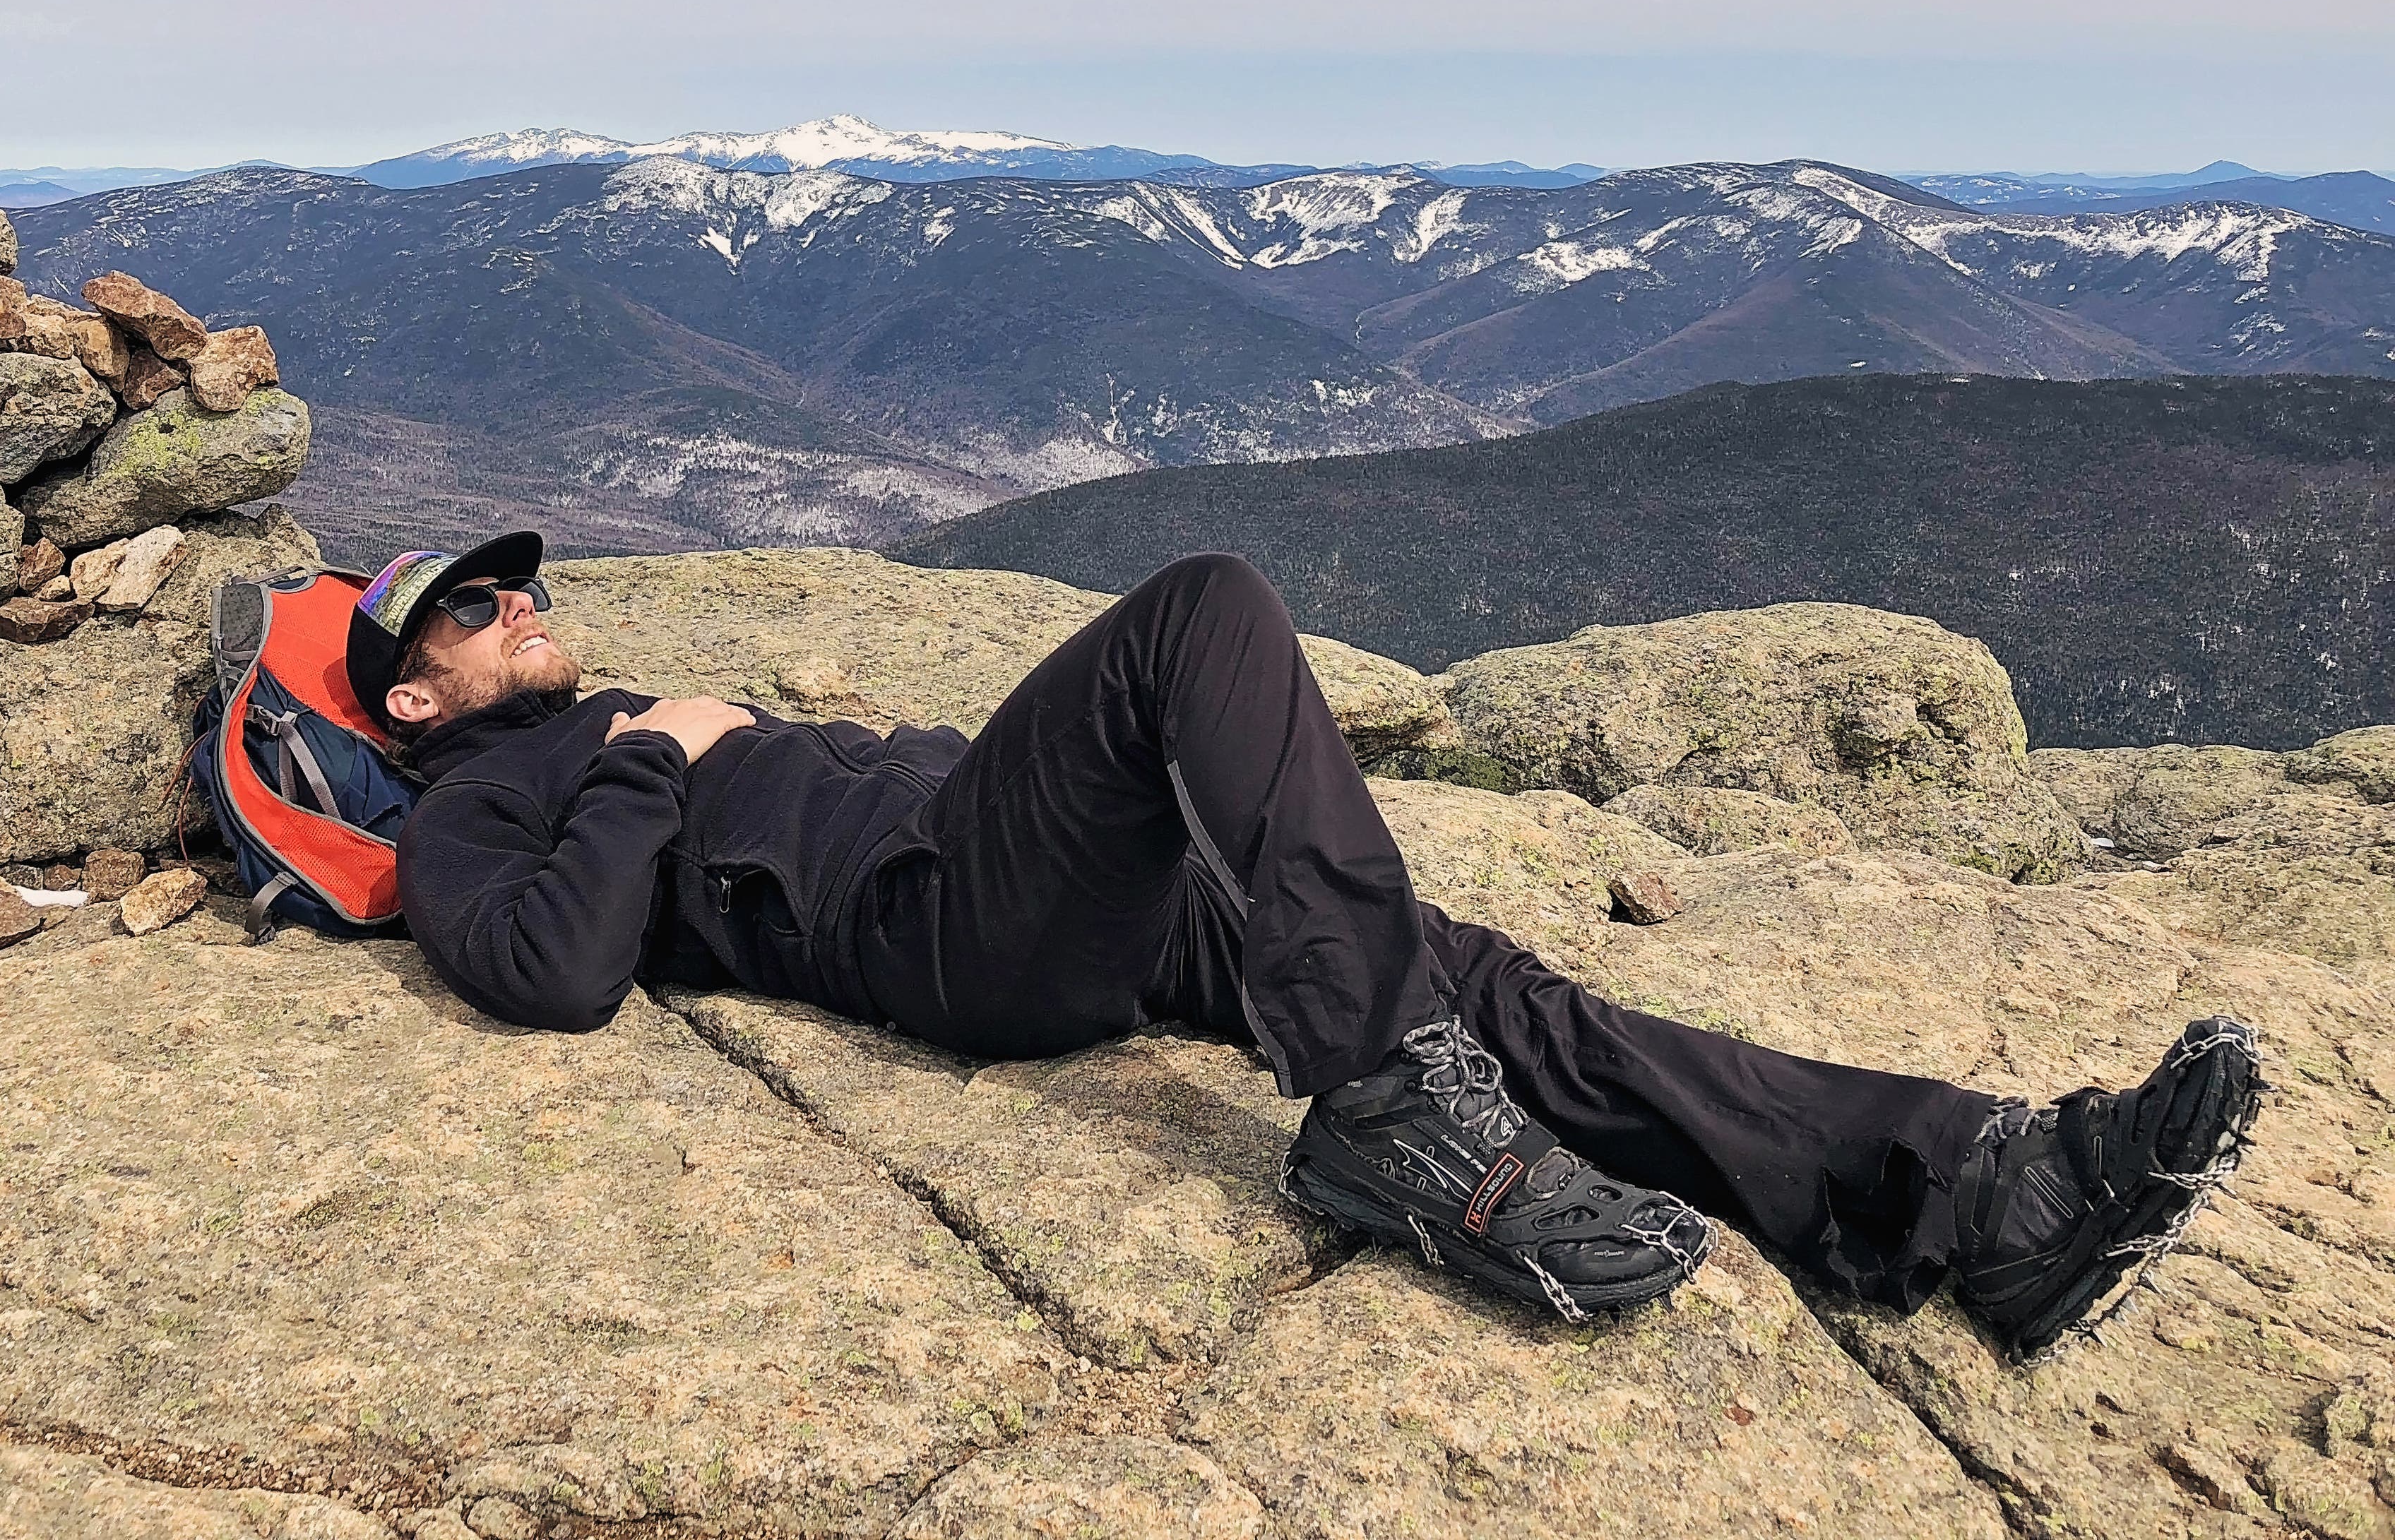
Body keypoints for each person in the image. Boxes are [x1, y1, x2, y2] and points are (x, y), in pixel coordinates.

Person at [352, 534, 2264, 1359]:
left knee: (1493, 988)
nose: (508, 604)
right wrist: (642, 767)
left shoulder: (598, 714)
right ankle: (1383, 1110)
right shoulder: (477, 804)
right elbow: (551, 973)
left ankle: (1976, 1195)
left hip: (1044, 889)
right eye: (459, 613)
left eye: (511, 585)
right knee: (1199, 613)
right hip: (934, 925)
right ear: (415, 707)